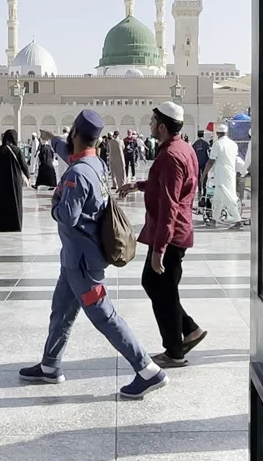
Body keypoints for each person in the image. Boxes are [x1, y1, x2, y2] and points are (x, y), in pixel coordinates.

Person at [19, 109, 168, 399]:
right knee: (61, 311)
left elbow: (67, 216)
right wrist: (52, 140)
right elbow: (69, 150)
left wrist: (56, 200)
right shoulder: (95, 163)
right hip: (75, 260)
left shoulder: (76, 175)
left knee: (104, 316)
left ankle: (148, 370)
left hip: (83, 265)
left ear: (75, 133)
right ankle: (50, 365)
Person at [120, 102, 206, 368]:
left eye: (153, 121)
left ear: (162, 126)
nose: (150, 125)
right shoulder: (183, 149)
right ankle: (189, 329)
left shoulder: (170, 156)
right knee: (158, 286)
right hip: (175, 231)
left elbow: (169, 203)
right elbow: (169, 186)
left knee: (163, 288)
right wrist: (138, 185)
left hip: (170, 234)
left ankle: (175, 351)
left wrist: (159, 250)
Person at [0, 129, 30, 232]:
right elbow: (24, 165)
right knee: (15, 202)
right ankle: (15, 225)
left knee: (0, 202)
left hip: (0, 181)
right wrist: (28, 176)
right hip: (14, 181)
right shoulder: (17, 150)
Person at [202, 123, 242, 227]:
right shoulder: (233, 144)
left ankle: (238, 220)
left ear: (218, 133)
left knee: (228, 196)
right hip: (230, 173)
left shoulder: (217, 144)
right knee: (217, 198)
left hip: (222, 174)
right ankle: (214, 220)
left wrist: (204, 174)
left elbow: (211, 161)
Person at [193, 129, 210, 198]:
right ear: (203, 135)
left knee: (198, 176)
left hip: (197, 163)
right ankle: (204, 188)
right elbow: (208, 153)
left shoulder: (195, 144)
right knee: (204, 175)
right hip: (205, 162)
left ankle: (199, 189)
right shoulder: (206, 143)